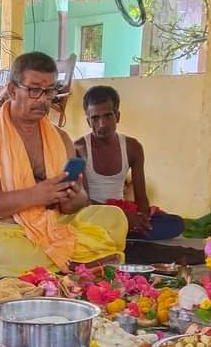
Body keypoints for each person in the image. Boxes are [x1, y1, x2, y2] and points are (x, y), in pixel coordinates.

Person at [0, 52, 127, 281]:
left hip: (54, 225)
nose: (43, 99)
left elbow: (76, 205)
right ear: (11, 90)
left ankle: (58, 265)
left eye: (49, 91)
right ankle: (78, 262)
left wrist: (72, 196)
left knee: (114, 218)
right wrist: (36, 195)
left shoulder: (61, 138)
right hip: (4, 230)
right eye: (34, 90)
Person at [73, 86, 184, 241]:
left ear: (117, 116)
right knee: (83, 226)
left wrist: (141, 218)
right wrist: (122, 216)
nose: (102, 124)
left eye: (108, 116)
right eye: (95, 118)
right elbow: (83, 201)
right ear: (88, 121)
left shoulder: (133, 147)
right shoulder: (78, 149)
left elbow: (141, 197)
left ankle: (126, 232)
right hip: (94, 215)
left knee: (175, 223)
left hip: (124, 213)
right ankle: (123, 233)